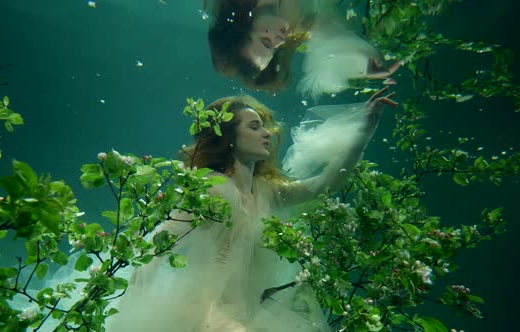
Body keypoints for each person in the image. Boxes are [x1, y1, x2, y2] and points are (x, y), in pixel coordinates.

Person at [104, 87, 397, 331]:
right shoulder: (213, 187)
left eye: (264, 126)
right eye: (254, 127)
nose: (266, 133)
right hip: (205, 311)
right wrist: (135, 290)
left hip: (245, 311)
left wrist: (363, 130)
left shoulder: (265, 189)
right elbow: (165, 238)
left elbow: (323, 184)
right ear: (229, 137)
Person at [206, 0, 400, 98]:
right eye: (273, 48)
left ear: (242, 25)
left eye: (266, 41)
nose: (279, 40)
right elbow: (326, 27)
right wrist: (361, 63)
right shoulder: (290, 25)